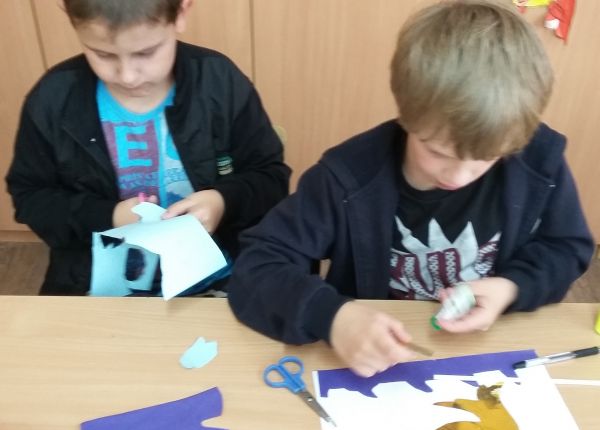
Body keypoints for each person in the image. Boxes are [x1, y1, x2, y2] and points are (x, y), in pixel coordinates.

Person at [227, 0, 594, 377]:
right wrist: (333, 317)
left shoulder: (537, 160)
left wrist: (511, 288)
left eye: (485, 158)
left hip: (487, 349)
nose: (459, 177)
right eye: (437, 152)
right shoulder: (346, 178)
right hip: (375, 360)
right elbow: (257, 267)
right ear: (407, 116)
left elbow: (567, 248)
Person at [6, 0, 290, 296]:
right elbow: (31, 199)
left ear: (181, 12)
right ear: (70, 17)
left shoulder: (220, 82)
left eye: (146, 52)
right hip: (97, 287)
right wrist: (109, 217)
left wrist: (222, 201)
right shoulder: (53, 99)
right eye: (103, 54)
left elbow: (271, 178)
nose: (127, 76)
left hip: (218, 279)